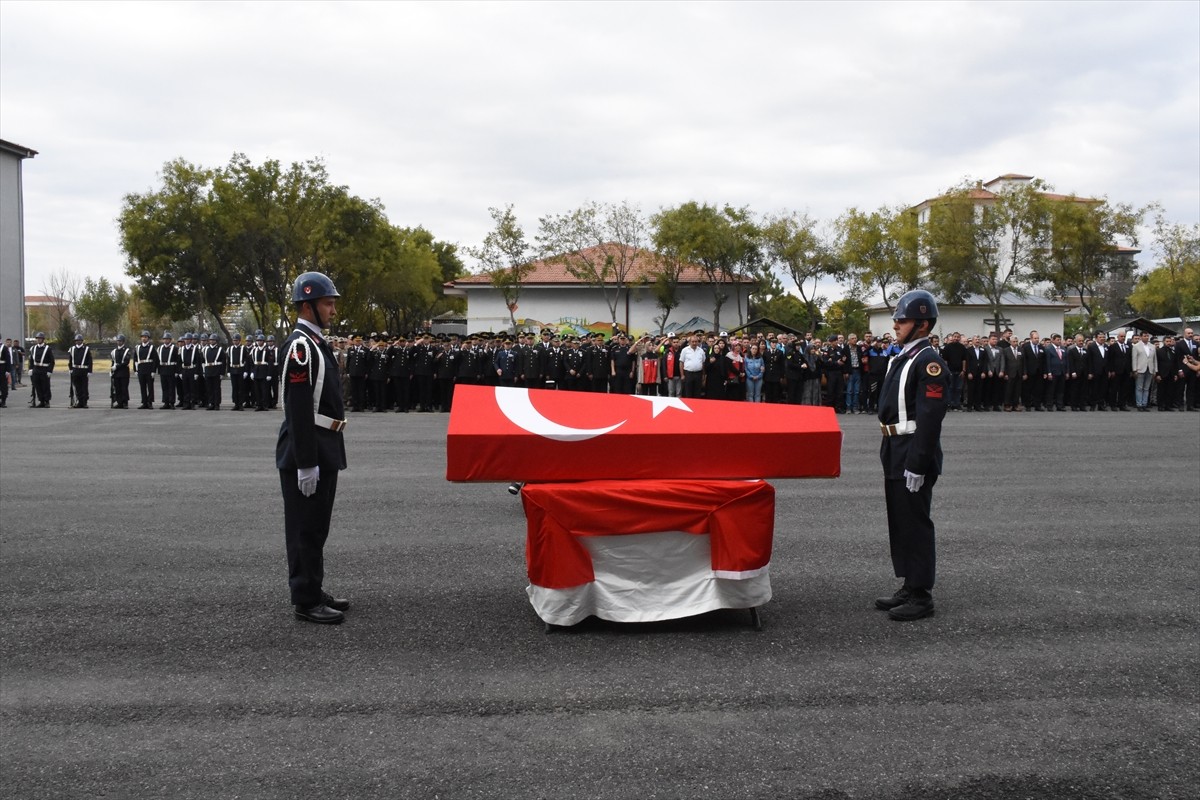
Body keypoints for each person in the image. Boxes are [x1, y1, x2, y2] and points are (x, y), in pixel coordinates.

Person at [277, 271, 350, 625]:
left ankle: (313, 586)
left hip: (326, 443)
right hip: (309, 447)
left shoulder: (315, 342)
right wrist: (306, 461)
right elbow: (298, 406)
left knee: (317, 525)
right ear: (308, 306)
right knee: (305, 527)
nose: (333, 309)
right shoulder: (301, 346)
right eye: (327, 303)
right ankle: (305, 600)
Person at [874, 289, 948, 622]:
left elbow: (931, 418)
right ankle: (908, 583)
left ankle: (921, 594)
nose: (895, 324)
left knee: (915, 522)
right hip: (895, 447)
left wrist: (918, 462)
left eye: (901, 319)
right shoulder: (904, 356)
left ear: (922, 324)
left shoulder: (928, 361)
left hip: (912, 449)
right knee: (900, 521)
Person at [28, 332, 54, 407]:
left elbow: (52, 361)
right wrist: (30, 369)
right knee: (37, 385)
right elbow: (31, 360)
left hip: (44, 369)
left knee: (45, 386)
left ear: (43, 339)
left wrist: (49, 371)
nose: (38, 340)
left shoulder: (48, 349)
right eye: (37, 338)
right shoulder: (33, 348)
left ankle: (47, 401)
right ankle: (41, 401)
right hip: (36, 369)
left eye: (40, 338)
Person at [133, 330, 158, 409]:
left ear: (148, 338)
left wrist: (154, 371)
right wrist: (135, 370)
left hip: (149, 369)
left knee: (150, 386)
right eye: (143, 337)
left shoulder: (151, 348)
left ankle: (150, 402)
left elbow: (155, 360)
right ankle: (144, 402)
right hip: (141, 369)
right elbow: (135, 359)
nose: (144, 338)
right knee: (142, 386)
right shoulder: (138, 347)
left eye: (146, 337)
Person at [157, 331, 179, 409]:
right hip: (163, 369)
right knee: (164, 387)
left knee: (171, 387)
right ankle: (166, 402)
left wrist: (177, 371)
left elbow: (177, 360)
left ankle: (172, 402)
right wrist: (158, 370)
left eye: (167, 339)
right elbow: (157, 360)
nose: (166, 341)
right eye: (164, 339)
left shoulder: (175, 348)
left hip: (171, 369)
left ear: (170, 340)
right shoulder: (160, 348)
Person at [110, 334, 132, 408]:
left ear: (123, 342)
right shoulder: (114, 351)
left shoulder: (127, 350)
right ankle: (119, 402)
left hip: (124, 372)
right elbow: (113, 361)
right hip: (116, 373)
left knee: (124, 388)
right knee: (117, 388)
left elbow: (126, 362)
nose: (119, 342)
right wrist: (111, 369)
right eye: (118, 341)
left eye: (120, 341)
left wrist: (116, 366)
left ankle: (125, 402)